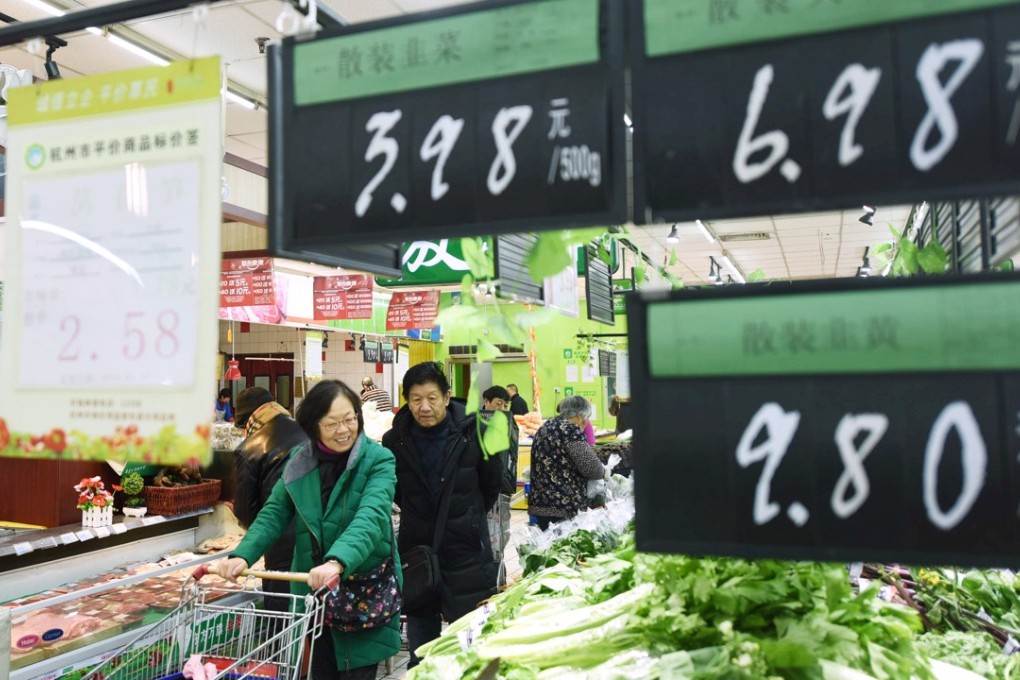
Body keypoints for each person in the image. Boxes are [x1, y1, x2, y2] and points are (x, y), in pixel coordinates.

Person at [209, 380, 399, 680]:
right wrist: (243, 555)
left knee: (355, 671)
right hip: (314, 596)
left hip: (361, 591)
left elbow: (371, 518)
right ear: (313, 426)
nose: (343, 430)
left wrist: (337, 561)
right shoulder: (300, 462)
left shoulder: (378, 460)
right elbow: (274, 512)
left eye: (350, 419)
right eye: (332, 423)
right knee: (319, 670)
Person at [382, 362, 502, 668]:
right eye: (416, 399)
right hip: (418, 552)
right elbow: (398, 492)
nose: (424, 407)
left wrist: (467, 518)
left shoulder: (477, 432)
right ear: (407, 400)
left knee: (471, 647)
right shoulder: (394, 440)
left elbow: (490, 486)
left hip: (467, 553)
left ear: (447, 398)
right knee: (422, 653)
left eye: (432, 398)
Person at [231, 386, 308, 612]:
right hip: (315, 543)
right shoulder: (307, 432)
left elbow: (245, 511)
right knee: (311, 623)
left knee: (281, 621)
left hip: (280, 549)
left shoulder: (250, 447)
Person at [528, 395, 609, 530]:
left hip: (539, 504)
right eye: (585, 419)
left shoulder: (545, 427)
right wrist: (604, 471)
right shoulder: (571, 430)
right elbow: (591, 468)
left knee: (548, 545)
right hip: (563, 506)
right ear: (578, 416)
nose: (585, 424)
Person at [480, 386, 520, 584]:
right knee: (488, 539)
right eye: (498, 403)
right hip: (484, 492)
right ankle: (491, 581)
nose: (502, 408)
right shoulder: (477, 424)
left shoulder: (507, 423)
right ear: (486, 401)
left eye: (505, 405)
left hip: (502, 491)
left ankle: (499, 580)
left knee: (500, 537)